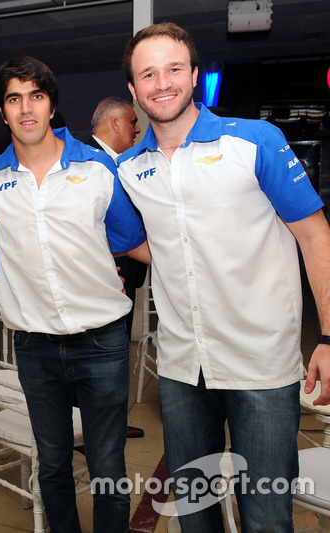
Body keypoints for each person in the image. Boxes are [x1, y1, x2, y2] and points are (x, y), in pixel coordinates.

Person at [117, 22, 330, 531]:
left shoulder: (254, 141)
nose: (161, 83)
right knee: (194, 511)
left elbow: (315, 235)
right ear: (133, 89)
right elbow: (132, 241)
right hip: (182, 366)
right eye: (148, 74)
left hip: (261, 361)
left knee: (265, 515)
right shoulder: (130, 166)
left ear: (194, 76)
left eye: (173, 69)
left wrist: (328, 336)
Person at [0, 55, 149, 533]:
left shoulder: (97, 168)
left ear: (52, 106)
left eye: (36, 96)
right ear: (3, 112)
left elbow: (130, 240)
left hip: (102, 340)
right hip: (34, 344)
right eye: (14, 98)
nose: (26, 108)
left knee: (107, 463)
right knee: (51, 462)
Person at [87, 98, 147, 440]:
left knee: (114, 346)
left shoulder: (117, 162)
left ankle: (107, 424)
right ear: (114, 124)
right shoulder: (91, 162)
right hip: (109, 270)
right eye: (132, 121)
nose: (137, 128)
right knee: (100, 349)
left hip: (127, 266)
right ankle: (94, 428)